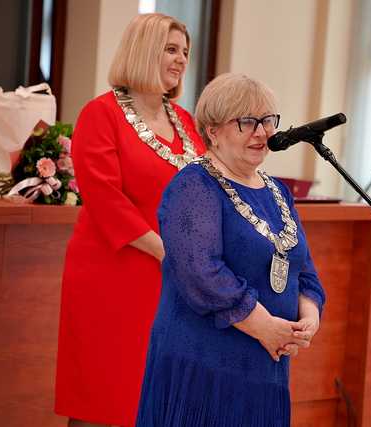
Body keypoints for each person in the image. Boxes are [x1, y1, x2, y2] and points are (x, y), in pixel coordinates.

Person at [135, 73, 326, 426]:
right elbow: (201, 273)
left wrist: (307, 320)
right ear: (212, 131)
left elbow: (303, 269)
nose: (262, 132)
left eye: (268, 120)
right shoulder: (194, 185)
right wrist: (266, 327)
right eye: (246, 122)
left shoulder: (277, 191)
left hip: (265, 369)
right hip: (204, 367)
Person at [54, 13, 206, 427]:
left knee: (157, 393)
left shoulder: (186, 122)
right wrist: (166, 251)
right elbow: (104, 197)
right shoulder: (100, 114)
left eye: (185, 52)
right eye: (170, 49)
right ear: (143, 51)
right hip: (113, 272)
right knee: (105, 394)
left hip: (172, 279)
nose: (180, 60)